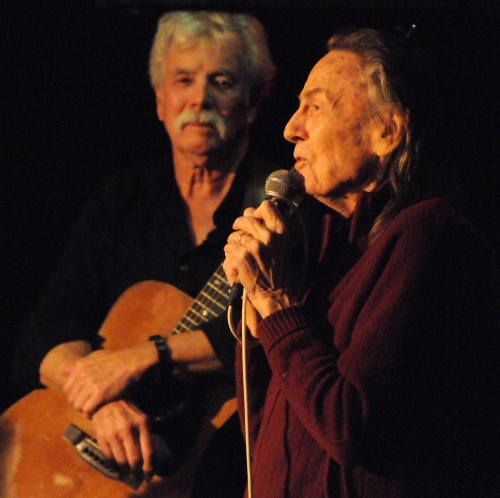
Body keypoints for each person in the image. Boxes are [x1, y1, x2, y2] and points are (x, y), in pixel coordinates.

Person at [9, 10, 325, 496]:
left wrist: (144, 357)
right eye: (183, 79)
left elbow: (276, 331)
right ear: (160, 100)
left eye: (221, 81)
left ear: (253, 101)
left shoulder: (281, 206)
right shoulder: (123, 200)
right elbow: (45, 330)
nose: (200, 98)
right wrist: (100, 401)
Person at [223, 27, 498, 497]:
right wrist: (257, 315)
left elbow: (350, 426)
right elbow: (278, 422)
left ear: (386, 132)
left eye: (315, 106)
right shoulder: (334, 248)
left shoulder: (428, 234)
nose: (290, 128)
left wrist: (278, 304)